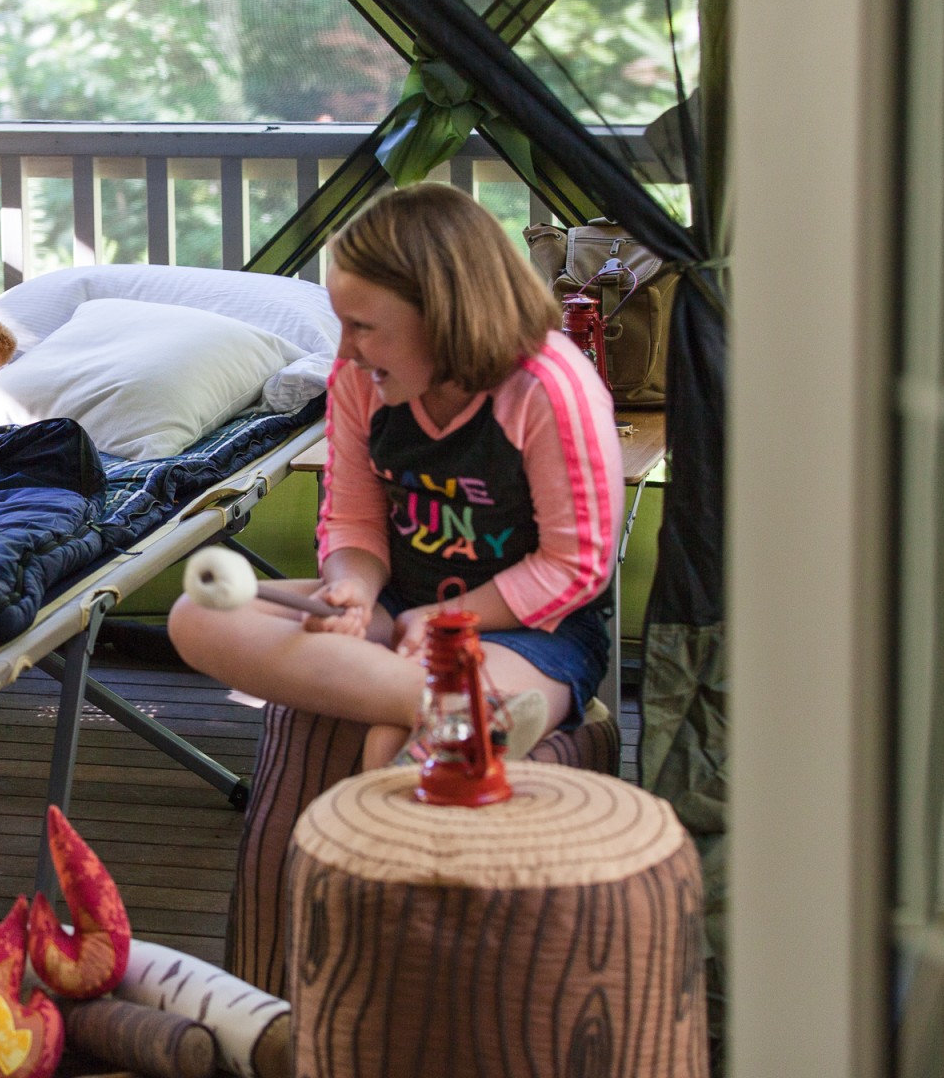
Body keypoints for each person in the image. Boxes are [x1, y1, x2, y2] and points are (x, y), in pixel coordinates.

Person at [170, 182, 622, 770]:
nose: (347, 349)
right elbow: (353, 517)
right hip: (399, 604)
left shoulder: (549, 389)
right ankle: (458, 711)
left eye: (363, 326)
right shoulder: (360, 377)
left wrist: (442, 623)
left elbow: (573, 567)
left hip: (534, 633)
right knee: (197, 618)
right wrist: (352, 586)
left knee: (387, 746)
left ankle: (447, 709)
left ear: (444, 315)